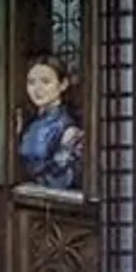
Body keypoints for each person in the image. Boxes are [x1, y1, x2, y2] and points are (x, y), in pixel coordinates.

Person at [17, 54, 87, 194]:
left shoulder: (67, 127)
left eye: (45, 81)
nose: (38, 89)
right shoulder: (29, 124)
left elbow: (63, 179)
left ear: (63, 84)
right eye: (31, 82)